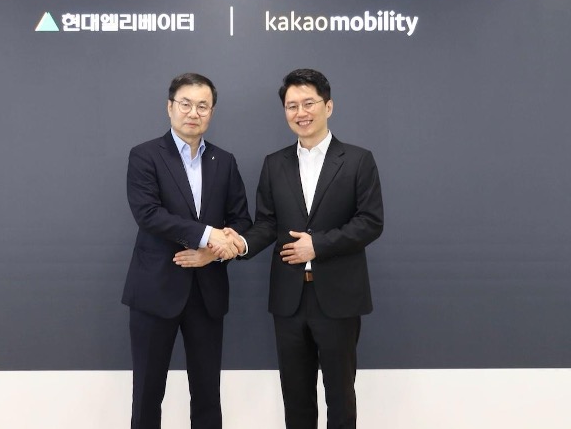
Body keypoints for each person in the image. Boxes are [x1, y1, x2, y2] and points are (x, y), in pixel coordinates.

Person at [217, 68, 383, 429]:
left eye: (309, 103)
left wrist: (317, 246)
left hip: (338, 298)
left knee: (340, 396)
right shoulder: (274, 164)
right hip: (289, 299)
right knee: (295, 398)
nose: (300, 112)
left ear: (328, 106)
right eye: (292, 106)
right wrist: (239, 243)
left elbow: (371, 222)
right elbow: (266, 224)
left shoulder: (358, 160)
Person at [122, 72, 251, 429]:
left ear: (211, 112)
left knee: (208, 393)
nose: (194, 113)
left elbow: (241, 220)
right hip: (155, 290)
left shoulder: (224, 161)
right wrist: (208, 235)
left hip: (207, 292)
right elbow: (148, 214)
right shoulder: (145, 155)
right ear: (170, 107)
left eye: (203, 106)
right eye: (186, 104)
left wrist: (215, 252)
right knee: (147, 393)